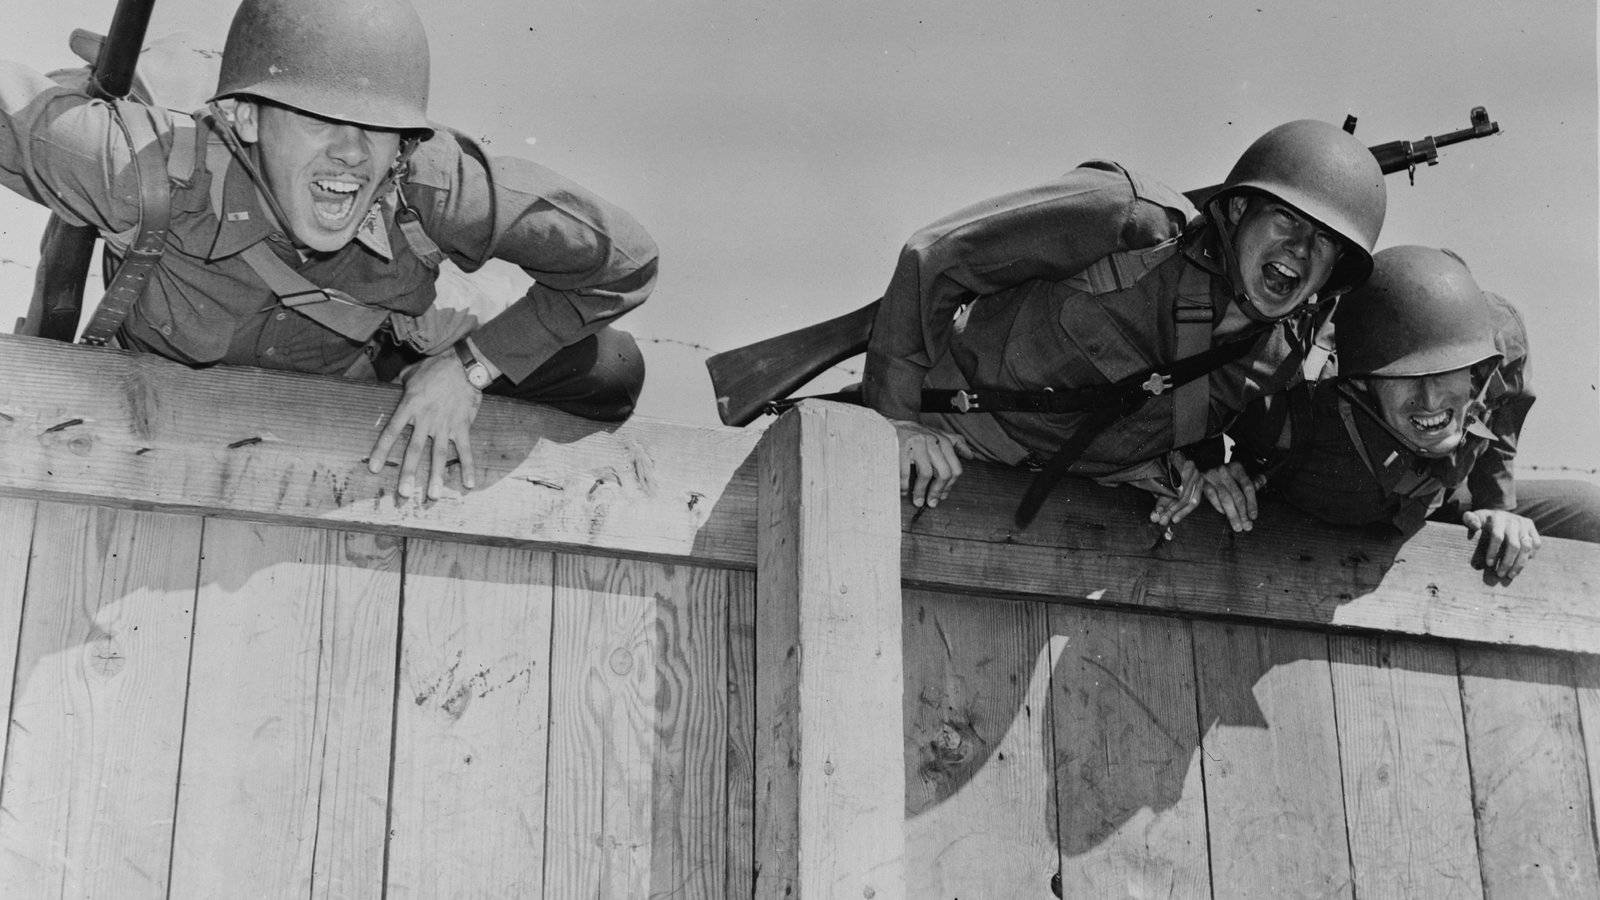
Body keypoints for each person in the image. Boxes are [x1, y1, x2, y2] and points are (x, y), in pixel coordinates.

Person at [0, 0, 658, 501]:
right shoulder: (139, 167)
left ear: (404, 145)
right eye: (317, 117)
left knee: (611, 369)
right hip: (154, 425)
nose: (350, 151)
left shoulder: (434, 185)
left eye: (378, 128)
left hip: (359, 391)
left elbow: (624, 260)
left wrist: (469, 367)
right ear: (249, 119)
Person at [860, 120, 1387, 525]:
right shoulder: (1125, 218)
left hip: (1058, 510)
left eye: (1324, 241)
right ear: (1236, 210)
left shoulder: (1279, 356)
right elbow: (937, 256)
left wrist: (1202, 465)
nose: (1299, 247)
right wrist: (898, 421)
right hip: (940, 445)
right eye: (1286, 219)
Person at [1196, 246, 1600, 582]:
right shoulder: (1295, 391)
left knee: (1591, 511)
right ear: (1361, 383)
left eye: (1445, 373)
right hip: (1308, 516)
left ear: (1477, 369)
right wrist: (1207, 462)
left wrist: (1498, 504)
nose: (1429, 400)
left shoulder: (1494, 341)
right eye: (1405, 378)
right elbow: (1197, 374)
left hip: (1430, 505)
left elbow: (1506, 405)